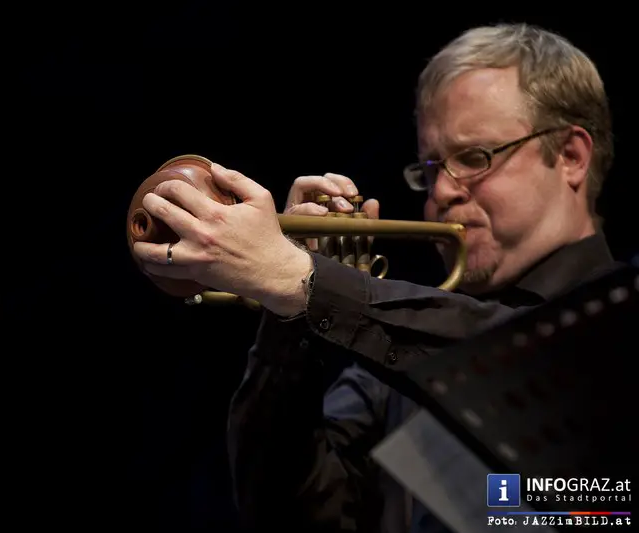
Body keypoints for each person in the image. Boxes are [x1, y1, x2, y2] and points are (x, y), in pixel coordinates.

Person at [132, 23, 618, 532]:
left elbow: (540, 359)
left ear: (570, 157)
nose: (442, 192)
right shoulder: (390, 375)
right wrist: (285, 310)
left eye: (475, 158)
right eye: (431, 170)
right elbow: (285, 512)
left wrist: (302, 279)